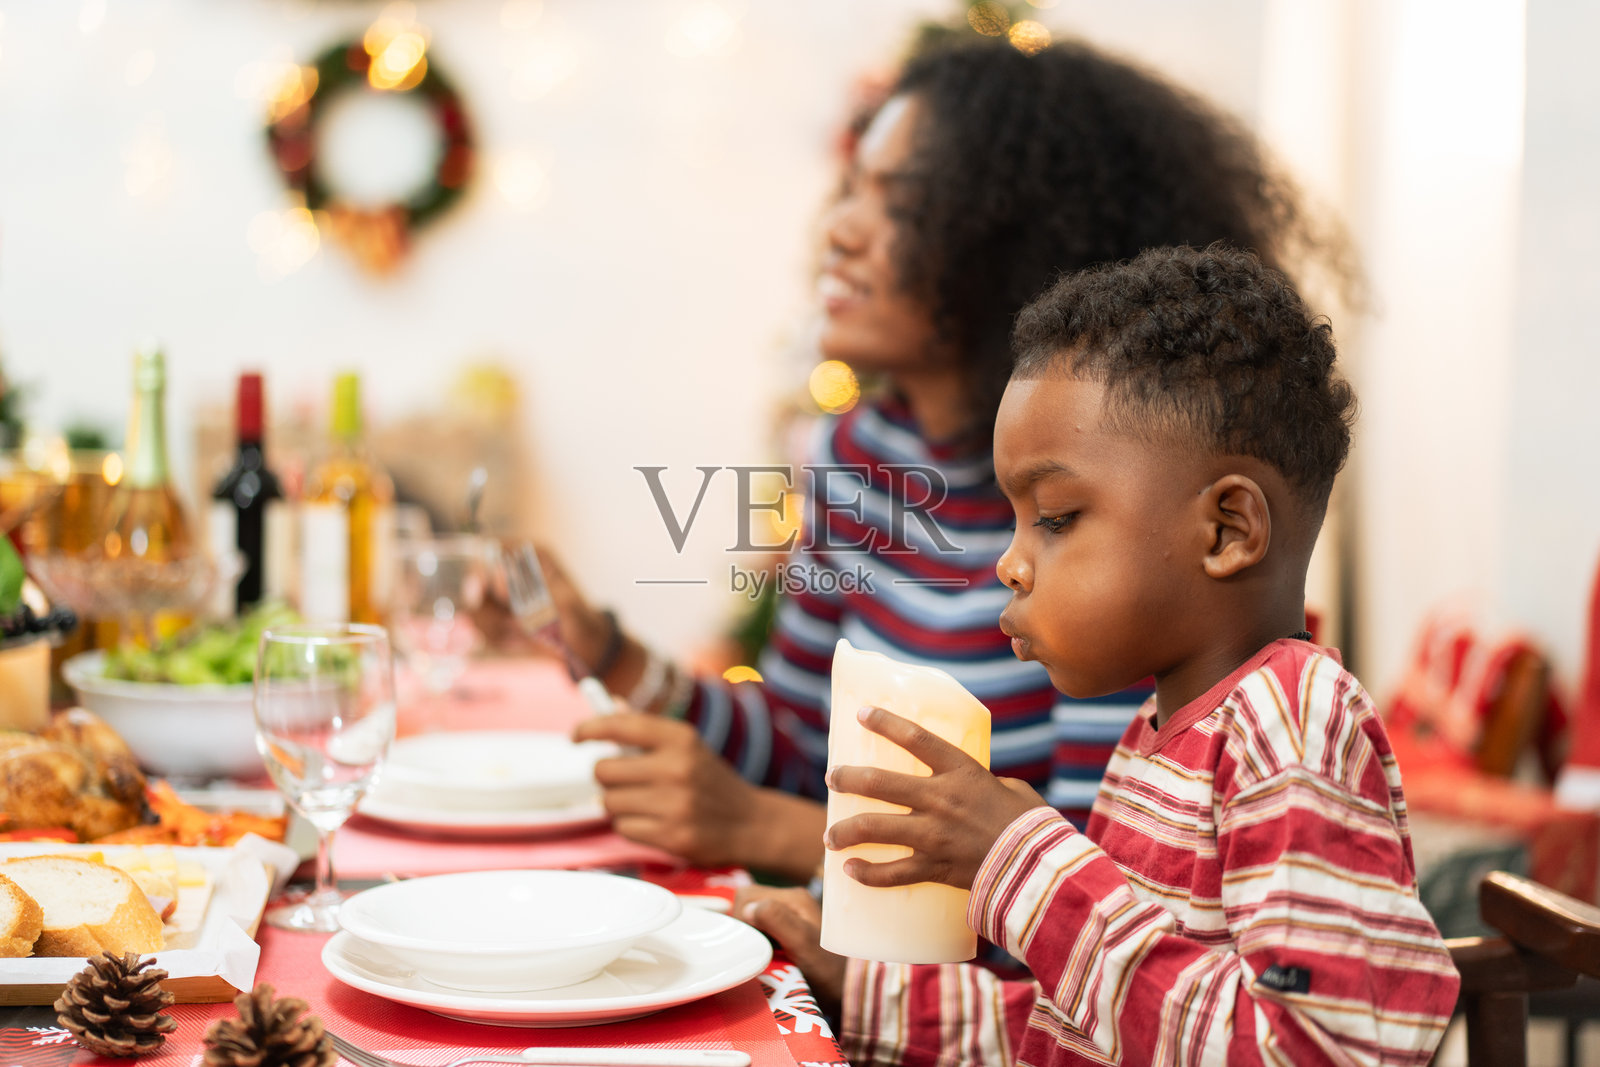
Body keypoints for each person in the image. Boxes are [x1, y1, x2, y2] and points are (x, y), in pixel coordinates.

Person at [550, 37, 1341, 882]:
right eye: (852, 189)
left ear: (1008, 236)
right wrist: (610, 655)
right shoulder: (859, 453)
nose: (839, 229)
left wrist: (771, 831)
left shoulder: (1116, 514)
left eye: (898, 204)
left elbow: (1097, 895)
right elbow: (799, 738)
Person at [740, 245, 1458, 1065]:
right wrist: (858, 991)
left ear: (1227, 528)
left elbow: (1314, 1048)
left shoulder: (1289, 723)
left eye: (1054, 517)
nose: (1009, 562)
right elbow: (1095, 1027)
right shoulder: (1158, 737)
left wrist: (1022, 861)